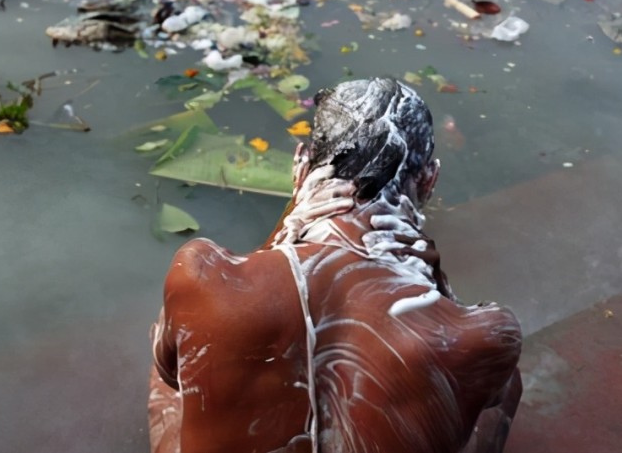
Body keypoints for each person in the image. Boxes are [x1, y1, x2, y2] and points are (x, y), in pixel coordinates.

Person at [148, 78, 523, 453]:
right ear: (428, 182)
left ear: (300, 166)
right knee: (505, 384)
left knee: (173, 346)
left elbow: (170, 372)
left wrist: (280, 236)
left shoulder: (203, 275)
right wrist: (438, 287)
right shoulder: (485, 334)